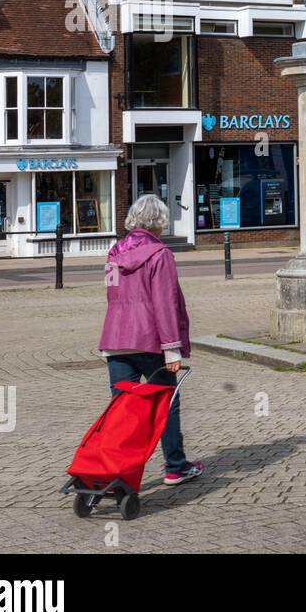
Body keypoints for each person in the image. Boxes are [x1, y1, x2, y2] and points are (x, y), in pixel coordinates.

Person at [98, 195, 203, 486]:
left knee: (122, 410)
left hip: (117, 338)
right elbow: (165, 303)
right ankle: (175, 466)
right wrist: (172, 348)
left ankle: (117, 471)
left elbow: (112, 296)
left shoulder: (114, 252)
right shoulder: (160, 254)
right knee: (166, 403)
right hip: (150, 342)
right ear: (159, 221)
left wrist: (110, 339)